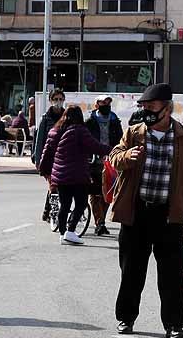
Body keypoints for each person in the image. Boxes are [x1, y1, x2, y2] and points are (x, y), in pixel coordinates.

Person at [107, 83, 183, 338]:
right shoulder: (133, 133)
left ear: (167, 108)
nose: (147, 112)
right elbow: (113, 157)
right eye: (144, 107)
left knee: (171, 274)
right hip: (136, 213)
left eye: (152, 107)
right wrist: (126, 156)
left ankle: (174, 324)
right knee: (132, 270)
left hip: (169, 215)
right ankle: (126, 318)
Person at [40, 105, 111, 245]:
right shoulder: (80, 130)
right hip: (78, 175)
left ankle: (62, 234)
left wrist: (44, 169)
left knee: (65, 205)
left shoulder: (55, 131)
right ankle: (70, 231)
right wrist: (112, 150)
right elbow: (95, 146)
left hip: (60, 175)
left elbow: (47, 151)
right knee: (81, 203)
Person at [85, 95, 122, 236]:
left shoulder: (114, 120)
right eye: (103, 102)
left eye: (108, 102)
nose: (106, 105)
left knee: (107, 193)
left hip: (110, 162)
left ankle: (101, 220)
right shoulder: (90, 121)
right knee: (95, 193)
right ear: (96, 105)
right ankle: (99, 222)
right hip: (94, 162)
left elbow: (120, 140)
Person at [33, 89, 66, 223]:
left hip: (63, 158)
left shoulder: (67, 116)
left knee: (56, 186)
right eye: (55, 99)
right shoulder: (45, 118)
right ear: (51, 101)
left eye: (60, 99)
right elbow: (39, 140)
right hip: (49, 158)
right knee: (53, 185)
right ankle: (53, 213)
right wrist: (38, 159)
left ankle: (47, 211)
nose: (58, 102)